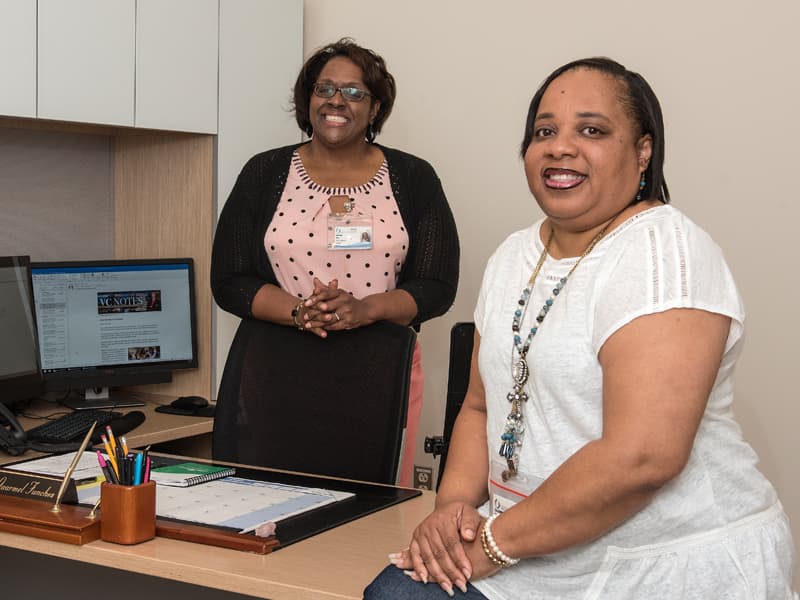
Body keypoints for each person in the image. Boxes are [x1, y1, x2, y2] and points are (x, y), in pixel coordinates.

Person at [365, 57, 797, 598]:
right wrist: (452, 508)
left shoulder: (665, 252)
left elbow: (642, 457)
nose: (560, 146)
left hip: (663, 563)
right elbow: (480, 405)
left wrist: (491, 547)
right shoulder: (513, 255)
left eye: (591, 130)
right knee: (396, 592)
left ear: (643, 150)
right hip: (529, 551)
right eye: (544, 131)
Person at [210, 38, 459, 487]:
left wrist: (365, 309)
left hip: (380, 369)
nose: (336, 102)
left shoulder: (414, 177)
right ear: (307, 101)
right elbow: (229, 278)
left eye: (354, 92)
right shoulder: (263, 173)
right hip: (275, 368)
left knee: (372, 507)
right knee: (269, 500)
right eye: (324, 89)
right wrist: (299, 312)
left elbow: (437, 284)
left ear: (376, 107)